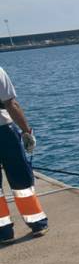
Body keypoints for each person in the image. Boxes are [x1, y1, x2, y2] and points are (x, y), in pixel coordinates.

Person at [0, 67, 48, 243]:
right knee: (21, 182)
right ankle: (37, 224)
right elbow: (11, 104)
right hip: (3, 131)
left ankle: (3, 232)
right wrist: (27, 132)